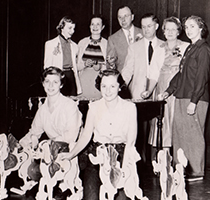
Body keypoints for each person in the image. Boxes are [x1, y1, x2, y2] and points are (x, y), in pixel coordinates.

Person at [60, 69, 140, 200]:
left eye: (112, 86)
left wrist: (125, 169)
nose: (108, 91)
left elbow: (131, 142)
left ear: (120, 87)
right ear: (99, 87)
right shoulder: (94, 107)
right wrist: (71, 154)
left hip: (121, 155)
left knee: (121, 197)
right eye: (104, 86)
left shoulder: (130, 108)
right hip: (97, 154)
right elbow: (86, 136)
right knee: (91, 197)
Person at [159, 15, 210, 182]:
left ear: (201, 29)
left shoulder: (203, 49)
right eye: (187, 27)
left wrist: (194, 101)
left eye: (192, 26)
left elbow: (202, 77)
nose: (188, 30)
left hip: (195, 98)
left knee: (193, 135)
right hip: (181, 96)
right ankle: (182, 168)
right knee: (180, 133)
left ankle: (196, 171)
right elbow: (181, 74)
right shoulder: (190, 48)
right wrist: (168, 91)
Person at [19, 66, 83, 198]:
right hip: (52, 154)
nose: (51, 85)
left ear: (61, 84)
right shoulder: (42, 109)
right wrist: (20, 144)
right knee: (31, 171)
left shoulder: (70, 106)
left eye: (55, 82)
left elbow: (70, 137)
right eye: (47, 81)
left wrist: (46, 144)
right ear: (43, 84)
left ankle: (65, 186)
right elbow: (34, 132)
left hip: (74, 153)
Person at [121, 13, 165, 163]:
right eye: (144, 26)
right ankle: (140, 163)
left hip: (159, 93)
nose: (146, 30)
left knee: (159, 130)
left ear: (156, 27)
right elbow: (127, 71)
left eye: (149, 26)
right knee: (140, 130)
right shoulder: (134, 47)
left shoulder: (164, 45)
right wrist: (119, 87)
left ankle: (157, 162)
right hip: (139, 93)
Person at [143, 17, 189, 159]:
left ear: (178, 31)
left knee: (178, 121)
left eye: (172, 29)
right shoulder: (158, 49)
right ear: (163, 31)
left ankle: (180, 159)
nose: (169, 32)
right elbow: (154, 73)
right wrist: (149, 91)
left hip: (180, 89)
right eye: (166, 29)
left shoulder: (186, 46)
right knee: (162, 122)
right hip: (162, 89)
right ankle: (164, 158)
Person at [43, 16, 82, 96]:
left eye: (73, 28)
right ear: (62, 28)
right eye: (70, 28)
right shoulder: (50, 44)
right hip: (58, 76)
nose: (72, 31)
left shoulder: (75, 46)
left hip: (70, 76)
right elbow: (47, 66)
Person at [77, 15, 107, 100]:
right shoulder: (82, 43)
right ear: (90, 26)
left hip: (99, 84)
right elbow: (76, 66)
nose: (95, 27)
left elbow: (110, 67)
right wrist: (85, 64)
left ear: (103, 27)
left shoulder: (107, 44)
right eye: (92, 24)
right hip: (84, 83)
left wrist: (100, 66)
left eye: (98, 24)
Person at [106, 6, 143, 72]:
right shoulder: (112, 39)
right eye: (120, 17)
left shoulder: (143, 33)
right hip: (123, 79)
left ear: (132, 17)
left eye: (126, 16)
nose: (123, 20)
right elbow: (110, 67)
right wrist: (111, 64)